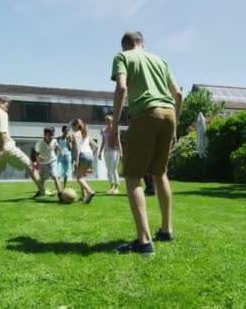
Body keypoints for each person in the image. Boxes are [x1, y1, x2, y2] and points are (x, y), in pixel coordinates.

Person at [109, 31, 184, 255]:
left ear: (125, 45)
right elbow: (178, 94)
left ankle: (144, 242)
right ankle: (166, 230)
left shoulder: (123, 57)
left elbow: (122, 88)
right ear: (142, 43)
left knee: (132, 177)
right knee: (160, 174)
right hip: (169, 113)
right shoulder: (160, 60)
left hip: (145, 114)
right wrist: (175, 128)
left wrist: (114, 126)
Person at [0, 97, 43, 202]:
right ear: (0, 103)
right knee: (30, 165)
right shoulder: (2, 114)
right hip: (7, 148)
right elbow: (2, 133)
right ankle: (42, 191)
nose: (7, 109)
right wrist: (3, 150)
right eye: (6, 106)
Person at [70, 119, 98, 203]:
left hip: (82, 155)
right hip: (89, 155)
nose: (72, 129)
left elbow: (77, 147)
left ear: (75, 126)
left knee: (79, 178)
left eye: (72, 127)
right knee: (81, 176)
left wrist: (77, 159)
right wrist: (91, 155)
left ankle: (90, 191)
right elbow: (96, 146)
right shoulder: (86, 134)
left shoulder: (75, 134)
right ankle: (84, 196)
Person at [34, 127, 63, 199]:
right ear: (44, 135)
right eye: (49, 135)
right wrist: (38, 163)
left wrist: (61, 151)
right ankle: (40, 192)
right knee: (42, 179)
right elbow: (37, 154)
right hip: (43, 162)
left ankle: (60, 194)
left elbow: (57, 145)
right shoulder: (40, 143)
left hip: (52, 160)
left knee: (54, 175)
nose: (51, 137)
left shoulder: (54, 140)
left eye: (52, 135)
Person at [98, 115, 123, 194]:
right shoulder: (103, 130)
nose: (106, 121)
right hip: (106, 152)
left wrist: (121, 152)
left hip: (115, 152)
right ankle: (111, 186)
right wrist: (100, 152)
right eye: (106, 120)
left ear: (111, 121)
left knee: (113, 169)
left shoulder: (115, 130)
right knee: (108, 170)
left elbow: (119, 141)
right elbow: (103, 142)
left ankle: (116, 186)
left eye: (108, 120)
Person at [57, 125, 74, 189]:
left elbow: (70, 148)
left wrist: (68, 141)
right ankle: (58, 188)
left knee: (66, 173)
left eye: (67, 130)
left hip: (68, 156)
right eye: (65, 130)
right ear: (62, 131)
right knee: (58, 172)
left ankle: (64, 187)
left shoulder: (69, 138)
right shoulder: (58, 138)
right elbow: (56, 148)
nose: (66, 132)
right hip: (60, 157)